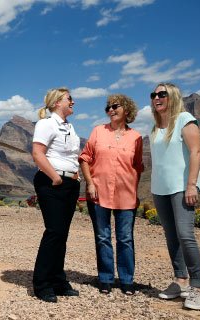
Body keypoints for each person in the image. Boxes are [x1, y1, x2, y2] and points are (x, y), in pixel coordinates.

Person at [79, 94, 144, 296]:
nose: (110, 110)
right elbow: (85, 158)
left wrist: (134, 190)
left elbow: (138, 167)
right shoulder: (98, 131)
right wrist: (89, 183)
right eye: (107, 107)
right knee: (103, 237)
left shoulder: (136, 137)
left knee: (125, 238)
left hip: (126, 196)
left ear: (126, 109)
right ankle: (105, 279)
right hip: (98, 193)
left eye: (115, 106)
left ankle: (126, 280)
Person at [150, 82, 200, 310]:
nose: (156, 97)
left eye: (162, 94)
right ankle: (180, 280)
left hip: (182, 187)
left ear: (172, 96)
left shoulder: (184, 119)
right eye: (153, 94)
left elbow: (195, 151)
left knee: (185, 235)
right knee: (171, 237)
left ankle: (197, 287)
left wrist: (192, 185)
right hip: (159, 189)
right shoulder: (154, 128)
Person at [31, 87, 81, 303]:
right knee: (54, 232)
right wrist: (56, 177)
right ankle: (41, 284)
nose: (73, 102)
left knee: (62, 234)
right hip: (52, 183)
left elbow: (69, 155)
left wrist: (74, 174)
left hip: (69, 184)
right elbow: (37, 153)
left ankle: (58, 281)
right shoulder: (46, 124)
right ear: (56, 102)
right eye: (69, 99)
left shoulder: (69, 126)